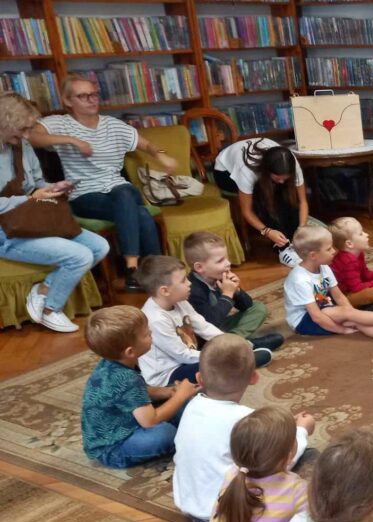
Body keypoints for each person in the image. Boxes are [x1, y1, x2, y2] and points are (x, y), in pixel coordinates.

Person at [28, 75, 170, 291]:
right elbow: (32, 137)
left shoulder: (113, 125)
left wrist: (162, 155)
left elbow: (149, 145)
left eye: (94, 94)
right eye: (83, 96)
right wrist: (71, 140)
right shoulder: (60, 123)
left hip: (121, 191)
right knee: (140, 214)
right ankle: (157, 275)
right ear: (67, 101)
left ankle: (131, 269)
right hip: (85, 196)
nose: (91, 100)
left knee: (124, 193)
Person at [171, 334, 313, 522]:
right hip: (230, 516)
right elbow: (282, 460)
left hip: (191, 508)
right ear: (254, 377)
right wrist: (301, 431)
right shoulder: (247, 421)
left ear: (199, 379)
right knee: (309, 456)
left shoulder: (192, 406)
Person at [0, 92, 108, 333]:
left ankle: (43, 290)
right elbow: (25, 196)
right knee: (79, 256)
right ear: (6, 123)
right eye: (22, 129)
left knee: (100, 246)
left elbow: (37, 181)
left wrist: (52, 188)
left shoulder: (22, 145)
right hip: (4, 231)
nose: (27, 136)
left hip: (30, 219)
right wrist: (28, 198)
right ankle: (51, 309)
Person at [81, 305, 197, 469]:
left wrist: (168, 392)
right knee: (165, 434)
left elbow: (139, 391)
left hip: (128, 419)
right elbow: (150, 421)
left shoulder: (114, 362)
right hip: (111, 447)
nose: (151, 333)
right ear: (130, 351)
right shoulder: (125, 378)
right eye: (146, 334)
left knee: (182, 403)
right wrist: (179, 396)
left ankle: (185, 425)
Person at [136, 255, 271, 387]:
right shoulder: (155, 320)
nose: (189, 283)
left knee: (221, 355)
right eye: (183, 281)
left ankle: (243, 351)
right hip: (168, 375)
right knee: (215, 366)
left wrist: (230, 343)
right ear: (165, 291)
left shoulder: (180, 301)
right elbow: (182, 355)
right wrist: (224, 355)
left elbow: (204, 327)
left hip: (188, 359)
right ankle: (244, 359)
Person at [284, 225, 373, 347]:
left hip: (324, 308)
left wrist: (352, 315)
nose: (334, 251)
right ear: (313, 255)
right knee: (345, 315)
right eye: (329, 248)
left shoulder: (324, 267)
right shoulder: (300, 280)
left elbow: (338, 296)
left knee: (355, 319)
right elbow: (317, 317)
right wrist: (341, 329)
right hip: (305, 320)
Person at [213, 137, 307, 267]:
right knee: (264, 195)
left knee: (287, 193)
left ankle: (292, 241)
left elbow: (302, 201)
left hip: (264, 169)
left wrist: (301, 228)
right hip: (224, 172)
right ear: (267, 171)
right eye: (278, 178)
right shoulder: (247, 171)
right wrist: (267, 231)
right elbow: (247, 210)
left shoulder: (292, 164)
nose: (281, 181)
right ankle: (283, 248)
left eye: (285, 178)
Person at [184, 231, 283, 351]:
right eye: (220, 261)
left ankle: (232, 344)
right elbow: (208, 323)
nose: (228, 263)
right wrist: (227, 295)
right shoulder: (192, 290)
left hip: (221, 327)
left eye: (227, 258)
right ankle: (236, 345)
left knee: (258, 308)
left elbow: (247, 305)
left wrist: (236, 291)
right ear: (200, 267)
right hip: (204, 336)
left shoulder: (218, 276)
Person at [327, 216, 373, 308]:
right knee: (371, 294)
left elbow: (364, 275)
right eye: (361, 234)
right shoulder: (347, 260)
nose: (366, 234)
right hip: (343, 297)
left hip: (353, 291)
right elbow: (357, 288)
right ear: (349, 244)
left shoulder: (359, 253)